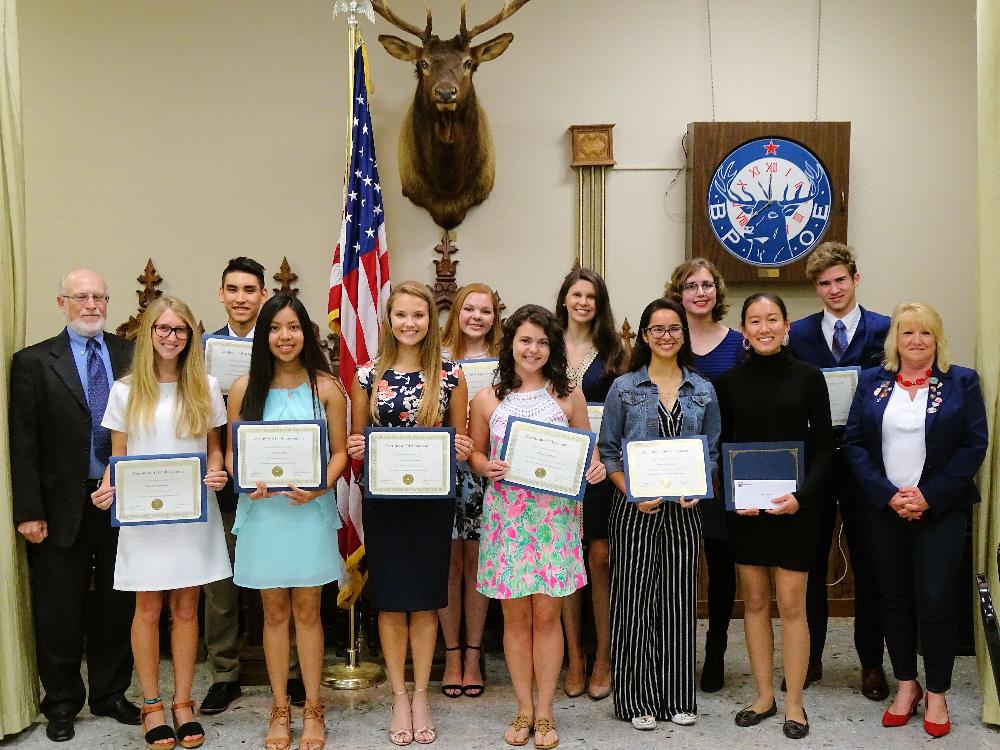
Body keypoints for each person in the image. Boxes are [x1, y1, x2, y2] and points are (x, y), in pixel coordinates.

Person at [91, 294, 232, 750]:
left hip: (192, 511)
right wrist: (107, 486)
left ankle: (184, 703)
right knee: (148, 609)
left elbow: (214, 447)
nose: (171, 337)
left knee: (188, 608)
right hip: (144, 516)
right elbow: (118, 454)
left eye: (181, 330)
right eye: (163, 329)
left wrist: (217, 469)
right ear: (148, 333)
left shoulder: (205, 386)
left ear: (191, 336)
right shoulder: (125, 389)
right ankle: (152, 704)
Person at [842, 302, 987, 738]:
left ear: (937, 338)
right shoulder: (872, 382)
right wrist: (889, 496)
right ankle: (907, 684)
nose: (916, 340)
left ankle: (938, 692)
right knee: (893, 599)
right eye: (907, 333)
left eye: (925, 333)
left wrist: (927, 496)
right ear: (895, 340)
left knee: (938, 603)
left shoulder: (961, 381)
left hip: (939, 512)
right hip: (884, 513)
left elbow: (973, 446)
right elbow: (853, 444)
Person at [9, 269, 138, 743]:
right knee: (58, 608)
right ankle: (61, 703)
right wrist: (28, 510)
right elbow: (23, 444)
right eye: (81, 297)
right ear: (61, 302)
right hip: (58, 505)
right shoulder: (33, 362)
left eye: (99, 297)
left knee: (116, 602)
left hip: (121, 498)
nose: (91, 305)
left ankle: (110, 694)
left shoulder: (130, 356)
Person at [471, 304, 607, 750]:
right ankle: (523, 707)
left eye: (542, 342)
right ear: (511, 343)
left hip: (555, 519)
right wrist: (484, 464)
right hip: (507, 516)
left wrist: (595, 469)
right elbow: (473, 451)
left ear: (553, 349)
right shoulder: (488, 398)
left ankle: (546, 711)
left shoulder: (568, 396)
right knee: (514, 617)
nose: (533, 349)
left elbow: (591, 452)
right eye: (525, 340)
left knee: (548, 616)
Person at [347, 281, 472, 746]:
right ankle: (398, 695)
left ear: (431, 321)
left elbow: (461, 439)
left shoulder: (452, 375)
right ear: (388, 320)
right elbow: (356, 441)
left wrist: (463, 445)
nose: (410, 323)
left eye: (419, 315)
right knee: (392, 598)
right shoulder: (367, 376)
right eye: (401, 315)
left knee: (424, 598)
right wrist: (357, 445)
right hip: (384, 503)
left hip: (431, 504)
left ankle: (421, 693)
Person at [227, 294, 348, 750]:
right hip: (264, 514)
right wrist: (246, 479)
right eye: (275, 328)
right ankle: (280, 707)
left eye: (293, 327)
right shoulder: (244, 388)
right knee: (273, 613)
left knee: (308, 612)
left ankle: (313, 706)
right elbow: (235, 455)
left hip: (309, 512)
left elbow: (339, 452)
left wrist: (321, 486)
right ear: (264, 335)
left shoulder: (327, 387)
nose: (285, 336)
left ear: (306, 333)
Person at [714, 293, 834, 740]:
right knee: (756, 604)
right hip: (746, 511)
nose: (764, 328)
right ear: (744, 329)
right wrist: (731, 493)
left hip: (794, 511)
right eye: (754, 321)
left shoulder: (808, 377)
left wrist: (802, 496)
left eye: (772, 320)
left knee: (792, 606)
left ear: (786, 326)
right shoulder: (728, 383)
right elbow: (722, 446)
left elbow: (824, 445)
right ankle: (764, 696)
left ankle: (795, 702)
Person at [599, 297, 720, 730]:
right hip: (634, 511)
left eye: (674, 329)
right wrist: (628, 489)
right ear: (645, 336)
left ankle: (676, 696)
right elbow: (609, 451)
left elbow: (712, 451)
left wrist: (699, 487)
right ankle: (636, 699)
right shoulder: (624, 388)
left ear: (683, 335)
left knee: (678, 601)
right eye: (658, 329)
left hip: (685, 513)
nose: (666, 336)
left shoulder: (702, 390)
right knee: (633, 602)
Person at [201, 256, 308, 715]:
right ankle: (225, 672)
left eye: (250, 290)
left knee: (289, 582)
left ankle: (292, 675)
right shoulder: (199, 349)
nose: (241, 298)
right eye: (233, 290)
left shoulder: (277, 343)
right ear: (222, 295)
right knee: (221, 585)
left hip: (286, 484)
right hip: (222, 476)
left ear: (263, 295)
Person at [787, 242, 890, 699]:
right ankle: (809, 659)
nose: (833, 289)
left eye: (840, 280)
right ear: (816, 288)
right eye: (824, 283)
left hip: (869, 465)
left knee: (870, 566)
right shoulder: (799, 334)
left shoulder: (886, 331)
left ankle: (871, 663)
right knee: (809, 563)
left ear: (855, 278)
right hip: (815, 464)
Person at [664, 258, 743, 693]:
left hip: (721, 470)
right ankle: (677, 654)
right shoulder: (669, 340)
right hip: (671, 470)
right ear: (678, 293)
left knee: (720, 563)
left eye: (707, 285)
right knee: (677, 566)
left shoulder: (739, 343)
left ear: (717, 291)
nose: (700, 292)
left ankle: (715, 654)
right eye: (691, 285)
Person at [554, 268, 625, 701]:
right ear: (564, 298)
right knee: (564, 558)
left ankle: (603, 655)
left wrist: (602, 457)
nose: (583, 302)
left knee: (599, 555)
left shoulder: (615, 350)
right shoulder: (544, 343)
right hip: (554, 467)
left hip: (599, 467)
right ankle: (574, 656)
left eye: (591, 296)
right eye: (576, 294)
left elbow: (622, 412)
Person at [438, 283, 503, 699]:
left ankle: (474, 652)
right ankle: (451, 654)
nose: (476, 317)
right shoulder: (436, 357)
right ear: (455, 312)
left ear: (495, 317)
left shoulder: (505, 363)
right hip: (441, 471)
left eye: (485, 311)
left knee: (478, 562)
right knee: (447, 563)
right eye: (469, 309)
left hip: (487, 472)